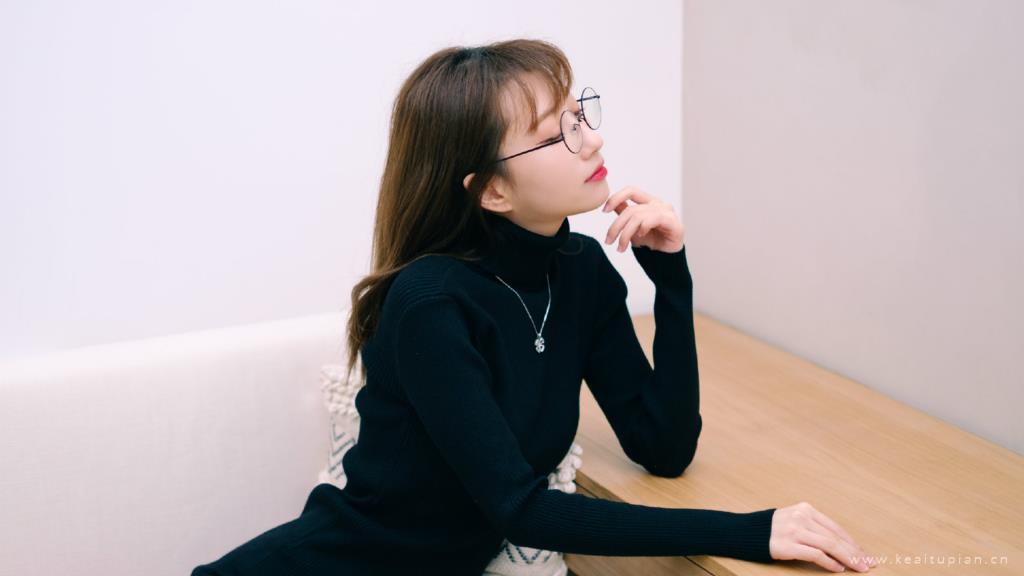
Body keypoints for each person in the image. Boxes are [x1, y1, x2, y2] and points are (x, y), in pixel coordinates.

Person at [192, 38, 876, 575]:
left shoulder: (579, 271)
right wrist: (750, 532)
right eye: (559, 133)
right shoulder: (430, 305)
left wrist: (671, 277)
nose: (593, 139)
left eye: (581, 115)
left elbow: (663, 447)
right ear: (491, 190)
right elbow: (520, 510)